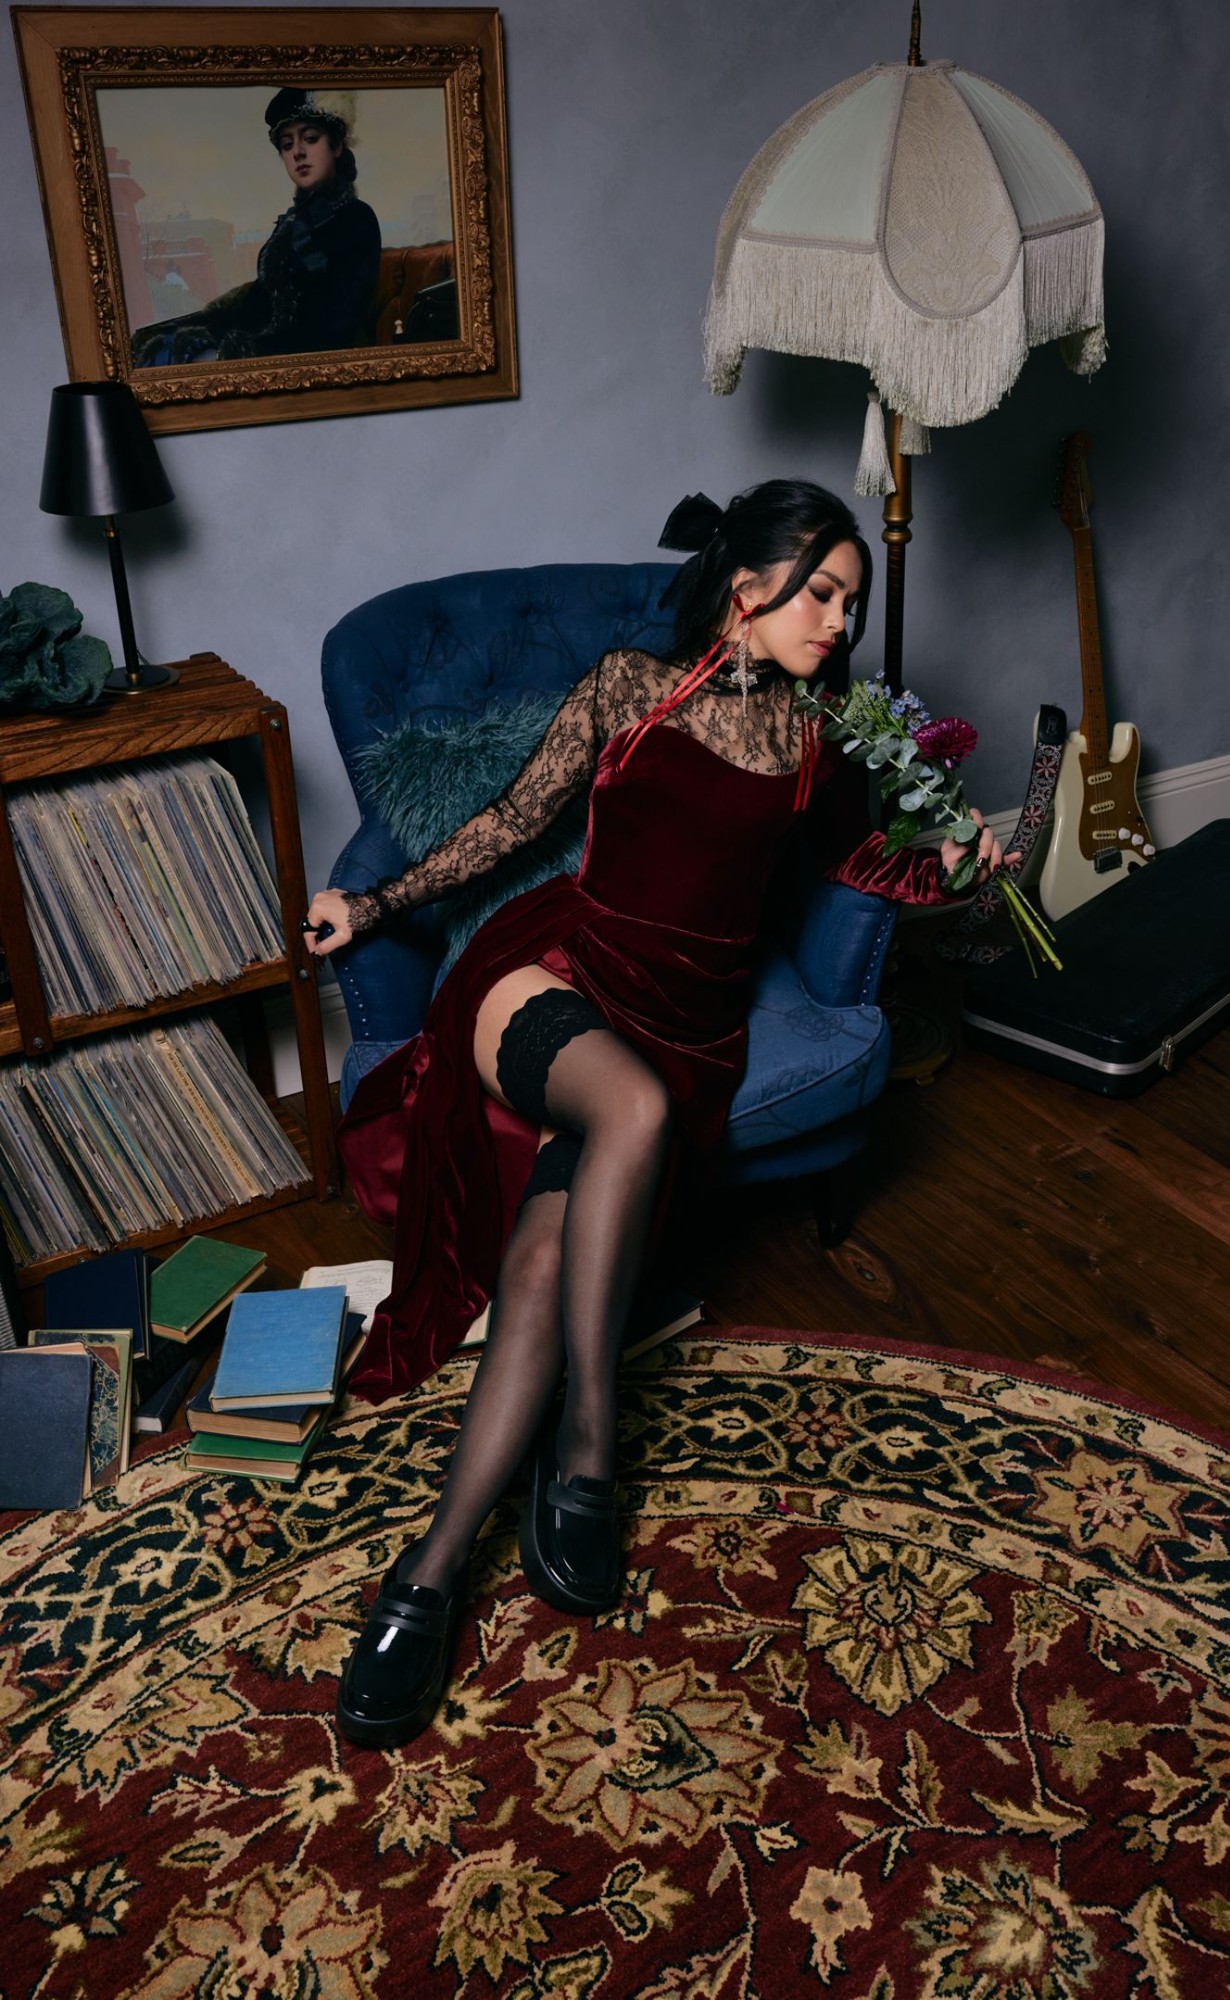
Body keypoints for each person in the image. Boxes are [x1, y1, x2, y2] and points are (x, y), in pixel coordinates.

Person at [304, 480, 1016, 1749]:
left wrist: (952, 870)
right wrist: (373, 904)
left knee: (540, 1262)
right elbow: (511, 821)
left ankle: (426, 1573)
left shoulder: (813, 738)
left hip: (686, 1029)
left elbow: (851, 865)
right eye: (820, 594)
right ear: (746, 588)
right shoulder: (630, 689)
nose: (838, 622)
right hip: (549, 978)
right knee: (626, 1108)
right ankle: (591, 1440)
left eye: (850, 604)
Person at [130, 89, 381, 367]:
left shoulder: (356, 219)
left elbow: (335, 327)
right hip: (271, 351)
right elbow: (257, 306)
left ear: (336, 146)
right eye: (287, 145)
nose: (298, 153)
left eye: (311, 139)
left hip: (314, 365)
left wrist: (237, 353)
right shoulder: (292, 224)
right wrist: (198, 331)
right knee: (157, 346)